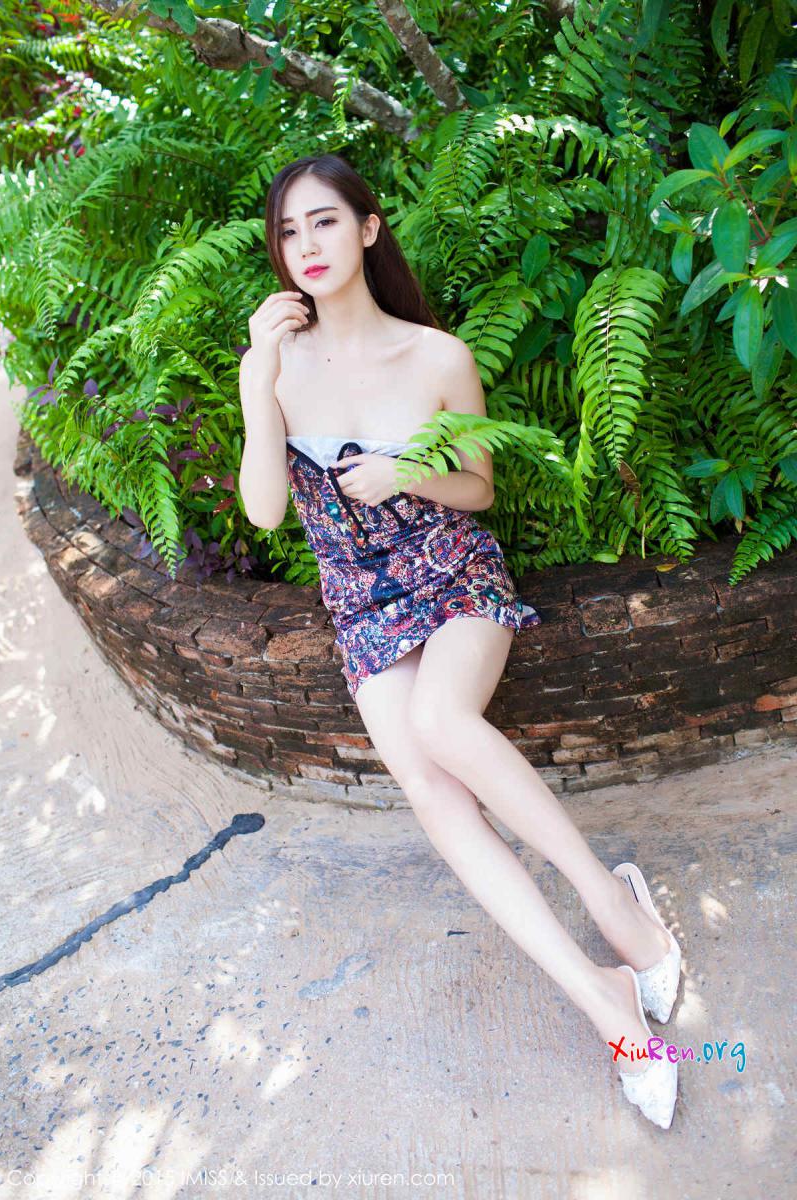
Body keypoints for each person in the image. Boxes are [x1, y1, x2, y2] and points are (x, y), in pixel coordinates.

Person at [238, 153, 682, 1129]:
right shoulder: (277, 364)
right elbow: (266, 510)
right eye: (288, 231)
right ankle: (603, 999)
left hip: (453, 574)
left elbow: (478, 487)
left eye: (324, 222)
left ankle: (612, 905)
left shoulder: (435, 356)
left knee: (441, 722)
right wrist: (252, 380)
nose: (305, 245)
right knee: (434, 797)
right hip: (361, 603)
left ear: (367, 229)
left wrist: (405, 471)